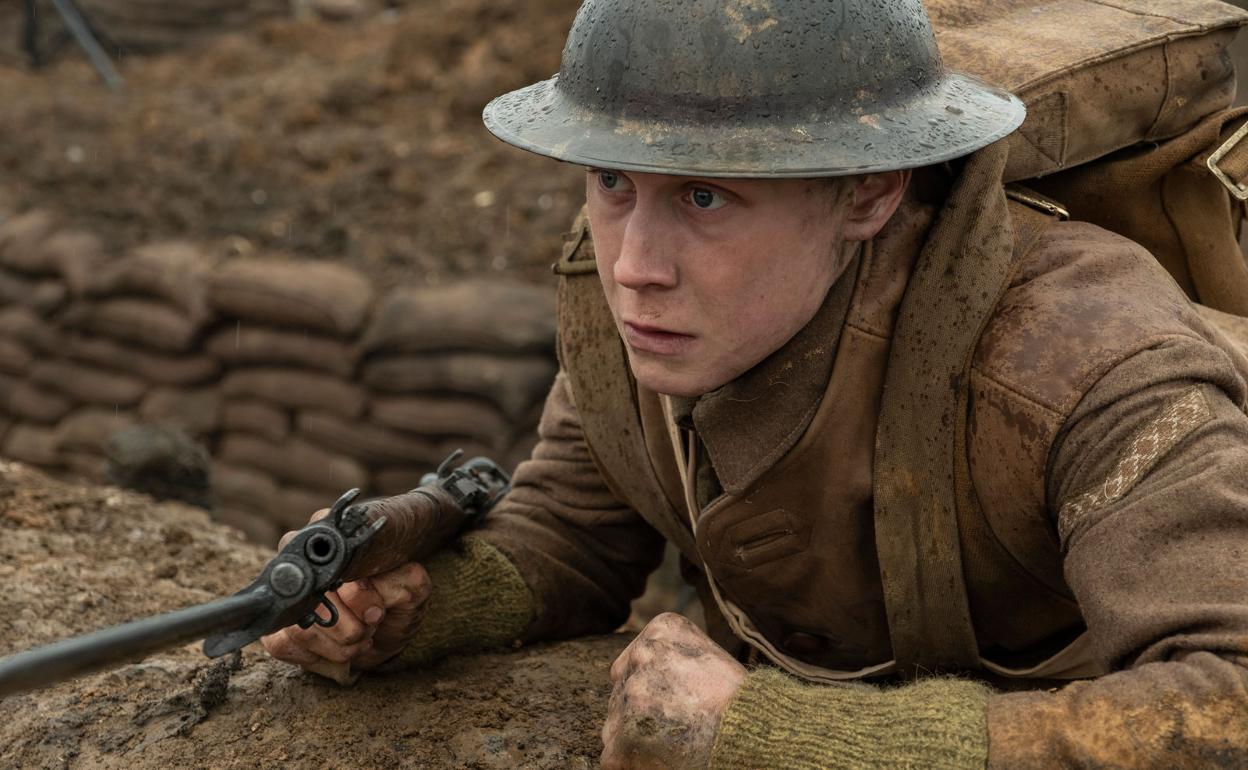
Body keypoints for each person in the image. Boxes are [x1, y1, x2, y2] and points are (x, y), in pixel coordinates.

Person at [263, 0, 1248, 766]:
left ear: (869, 190)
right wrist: (419, 604)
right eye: (613, 182)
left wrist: (789, 739)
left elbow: (1230, 703)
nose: (635, 264)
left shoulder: (1080, 358)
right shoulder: (631, 301)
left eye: (705, 195)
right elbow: (576, 524)